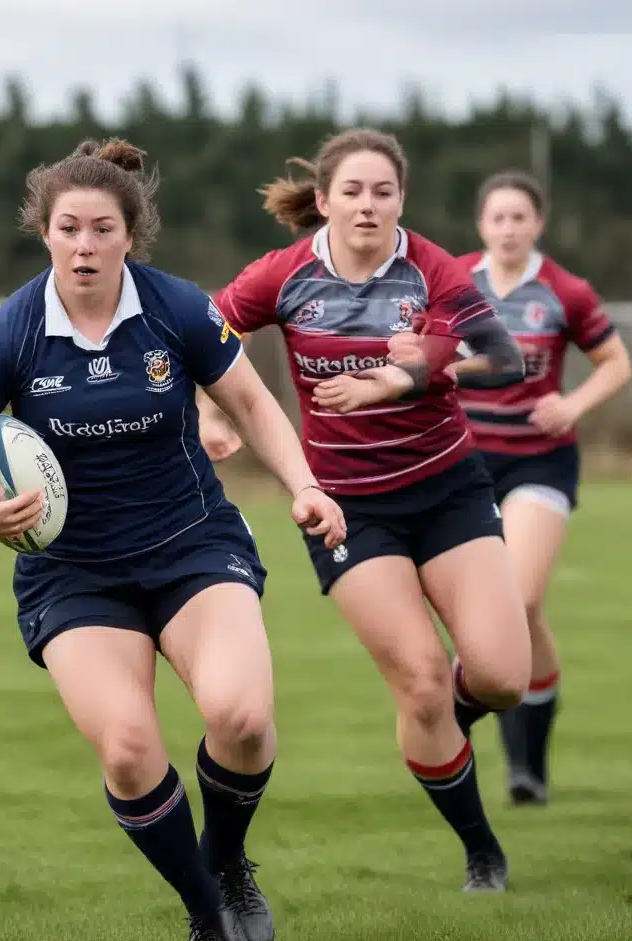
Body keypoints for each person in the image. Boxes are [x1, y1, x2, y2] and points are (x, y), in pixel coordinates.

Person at [0, 138, 345, 941]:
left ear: (130, 235)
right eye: (69, 228)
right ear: (45, 232)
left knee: (241, 716)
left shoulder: (176, 308)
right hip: (74, 570)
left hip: (192, 543)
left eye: (102, 229)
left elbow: (255, 405)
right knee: (126, 747)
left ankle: (227, 862)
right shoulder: (12, 329)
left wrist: (303, 482)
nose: (85, 246)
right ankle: (202, 916)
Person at [202, 129, 532, 893]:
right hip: (348, 507)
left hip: (447, 488)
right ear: (322, 201)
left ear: (400, 200)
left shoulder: (432, 269)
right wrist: (206, 411)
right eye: (351, 191)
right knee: (418, 681)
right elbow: (202, 338)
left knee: (503, 677)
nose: (367, 205)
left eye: (383, 191)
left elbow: (503, 357)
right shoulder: (283, 276)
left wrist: (401, 376)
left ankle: (446, 712)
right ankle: (480, 848)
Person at [452, 170, 631, 806]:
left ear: (538, 223)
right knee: (499, 613)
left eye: (519, 218)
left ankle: (518, 751)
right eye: (497, 218)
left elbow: (616, 364)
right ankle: (522, 769)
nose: (508, 228)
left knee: (519, 599)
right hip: (463, 464)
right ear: (481, 226)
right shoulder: (455, 282)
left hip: (539, 464)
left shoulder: (564, 291)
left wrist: (574, 404)